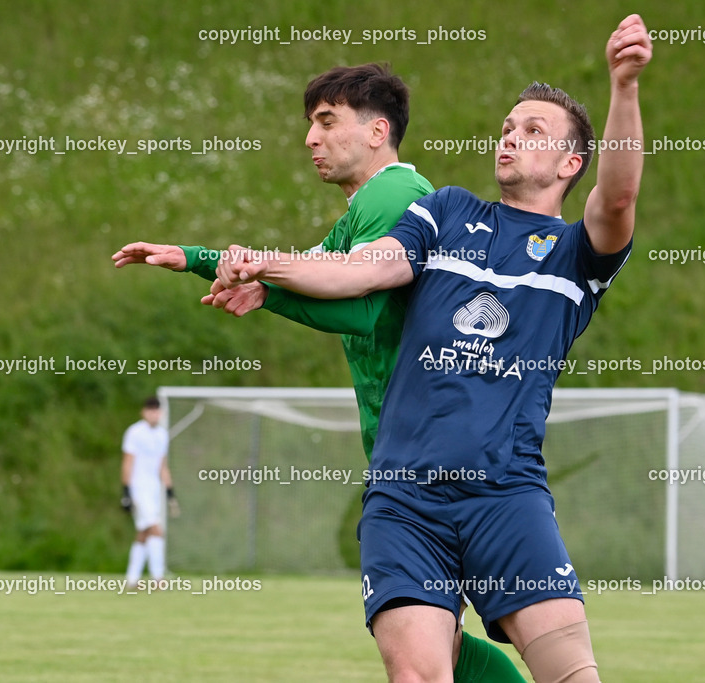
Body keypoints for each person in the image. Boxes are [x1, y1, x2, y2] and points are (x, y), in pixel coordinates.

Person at [212, 15, 652, 682]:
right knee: (420, 674)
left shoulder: (573, 256)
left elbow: (617, 196)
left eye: (533, 130)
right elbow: (361, 270)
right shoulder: (446, 212)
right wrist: (259, 265)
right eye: (507, 127)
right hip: (404, 498)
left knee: (573, 675)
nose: (511, 137)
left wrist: (624, 86)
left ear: (570, 163)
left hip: (506, 494)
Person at [112, 64, 526, 681]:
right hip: (418, 453)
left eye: (327, 122)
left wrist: (258, 278)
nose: (311, 138)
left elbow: (359, 305)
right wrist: (202, 261)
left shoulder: (393, 196)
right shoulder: (366, 209)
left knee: (429, 648)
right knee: (432, 644)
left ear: (377, 131)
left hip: (428, 460)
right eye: (310, 124)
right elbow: (315, 273)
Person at [121, 395, 177, 588]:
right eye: (151, 410)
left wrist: (170, 492)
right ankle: (158, 577)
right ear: (144, 412)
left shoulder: (162, 435)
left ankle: (132, 579)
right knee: (156, 529)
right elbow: (128, 462)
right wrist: (126, 490)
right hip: (138, 488)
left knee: (143, 533)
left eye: (157, 410)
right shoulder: (134, 433)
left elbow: (162, 466)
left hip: (154, 490)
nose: (154, 414)